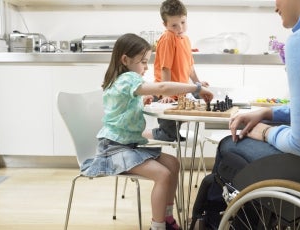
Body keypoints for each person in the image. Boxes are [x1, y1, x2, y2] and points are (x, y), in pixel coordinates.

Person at [213, 0, 300, 194]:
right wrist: (269, 113)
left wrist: (265, 132)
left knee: (229, 146)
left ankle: (209, 222)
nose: (275, 6)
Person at [80, 33, 213, 230]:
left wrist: (141, 101)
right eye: (143, 62)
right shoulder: (128, 78)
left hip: (128, 146)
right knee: (163, 175)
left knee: (173, 164)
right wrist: (196, 87)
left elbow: (121, 108)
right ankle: (157, 226)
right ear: (125, 60)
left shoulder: (122, 81)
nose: (146, 67)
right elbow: (162, 86)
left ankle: (167, 219)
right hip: (114, 149)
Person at [147, 0, 209, 142]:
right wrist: (165, 94)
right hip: (166, 94)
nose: (180, 28)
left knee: (177, 133)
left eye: (183, 22)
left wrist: (198, 83)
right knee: (167, 135)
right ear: (165, 25)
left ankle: (172, 134)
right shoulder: (168, 38)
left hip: (179, 94)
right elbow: (165, 68)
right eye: (174, 25)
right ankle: (140, 135)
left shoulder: (185, 39)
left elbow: (190, 67)